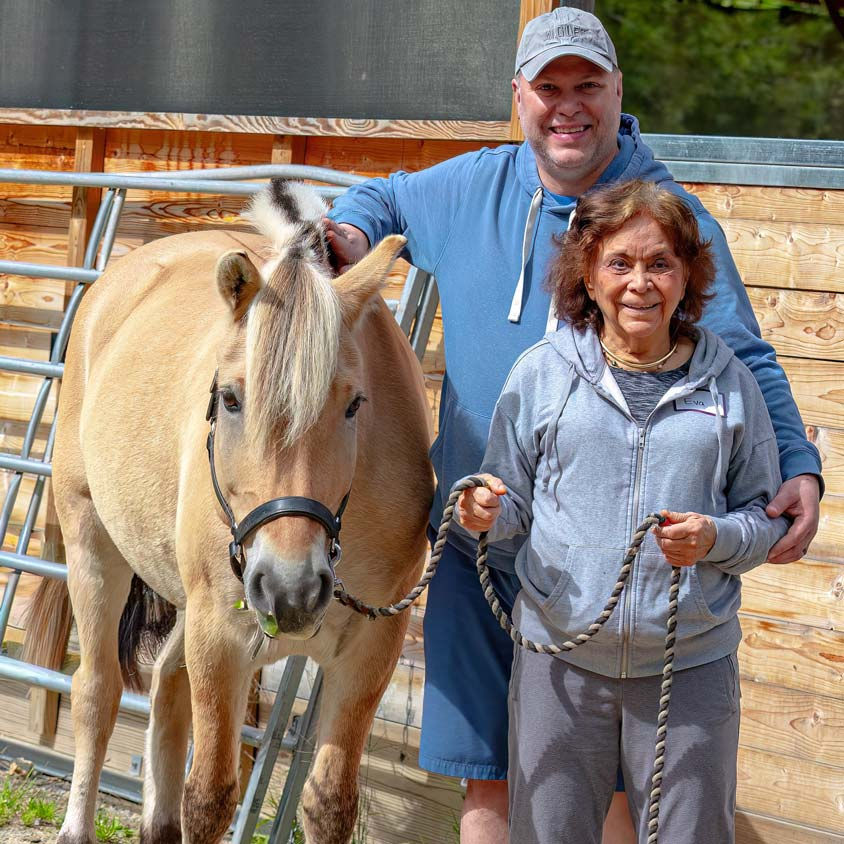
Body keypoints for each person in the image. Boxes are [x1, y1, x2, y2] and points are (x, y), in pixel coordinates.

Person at [325, 8, 822, 842]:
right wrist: (349, 229)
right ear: (518, 96)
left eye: (586, 85)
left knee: (614, 797)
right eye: (548, 87)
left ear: (617, 91)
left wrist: (798, 461)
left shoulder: (664, 213)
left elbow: (742, 357)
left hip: (610, 569)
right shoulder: (468, 187)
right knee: (490, 775)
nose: (568, 106)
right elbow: (383, 196)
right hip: (485, 540)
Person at [456, 178, 791, 843]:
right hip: (560, 665)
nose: (640, 283)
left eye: (660, 263)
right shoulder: (542, 374)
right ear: (588, 273)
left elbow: (766, 519)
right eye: (620, 263)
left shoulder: (730, 384)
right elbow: (511, 504)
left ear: (687, 276)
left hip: (687, 668)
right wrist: (485, 509)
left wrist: (715, 538)